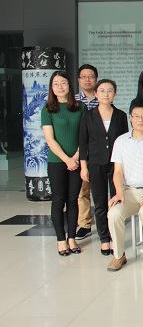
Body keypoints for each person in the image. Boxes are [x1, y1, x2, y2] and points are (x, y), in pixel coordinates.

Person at [106, 101, 143, 271]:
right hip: (129, 191)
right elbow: (118, 172)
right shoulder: (121, 141)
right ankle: (119, 255)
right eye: (136, 116)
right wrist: (119, 192)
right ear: (130, 118)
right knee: (114, 213)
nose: (140, 120)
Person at [78, 79, 129, 256]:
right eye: (102, 91)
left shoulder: (121, 115)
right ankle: (104, 239)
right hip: (95, 163)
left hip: (116, 165)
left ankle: (115, 237)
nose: (106, 94)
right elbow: (83, 142)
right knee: (99, 203)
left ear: (115, 94)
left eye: (109, 91)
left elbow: (125, 142)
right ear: (96, 94)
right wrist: (83, 166)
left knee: (116, 202)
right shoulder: (88, 115)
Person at [42, 71, 86, 256]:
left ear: (70, 85)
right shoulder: (48, 110)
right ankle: (61, 240)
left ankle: (72, 238)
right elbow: (50, 140)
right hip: (57, 161)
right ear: (52, 88)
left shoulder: (80, 107)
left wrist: (76, 156)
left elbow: (84, 135)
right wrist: (67, 159)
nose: (60, 87)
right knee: (59, 200)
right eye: (56, 84)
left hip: (77, 160)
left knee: (73, 200)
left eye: (64, 83)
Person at [74, 64, 98, 241]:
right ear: (79, 80)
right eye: (84, 77)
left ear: (96, 79)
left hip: (99, 151)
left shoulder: (103, 98)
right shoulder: (73, 101)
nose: (87, 80)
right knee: (82, 190)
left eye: (91, 76)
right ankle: (84, 224)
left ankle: (105, 222)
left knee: (101, 190)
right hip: (79, 151)